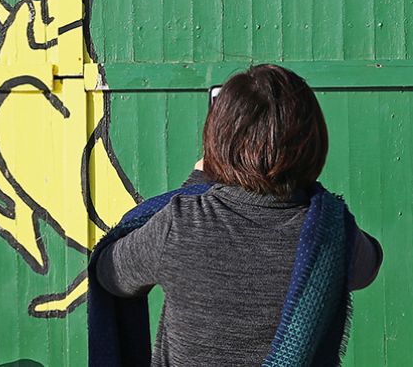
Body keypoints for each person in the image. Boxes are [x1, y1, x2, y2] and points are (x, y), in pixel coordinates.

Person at [88, 64, 383, 367]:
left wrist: (198, 185)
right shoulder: (330, 232)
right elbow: (369, 266)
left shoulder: (179, 224)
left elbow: (111, 275)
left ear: (219, 140)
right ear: (313, 141)